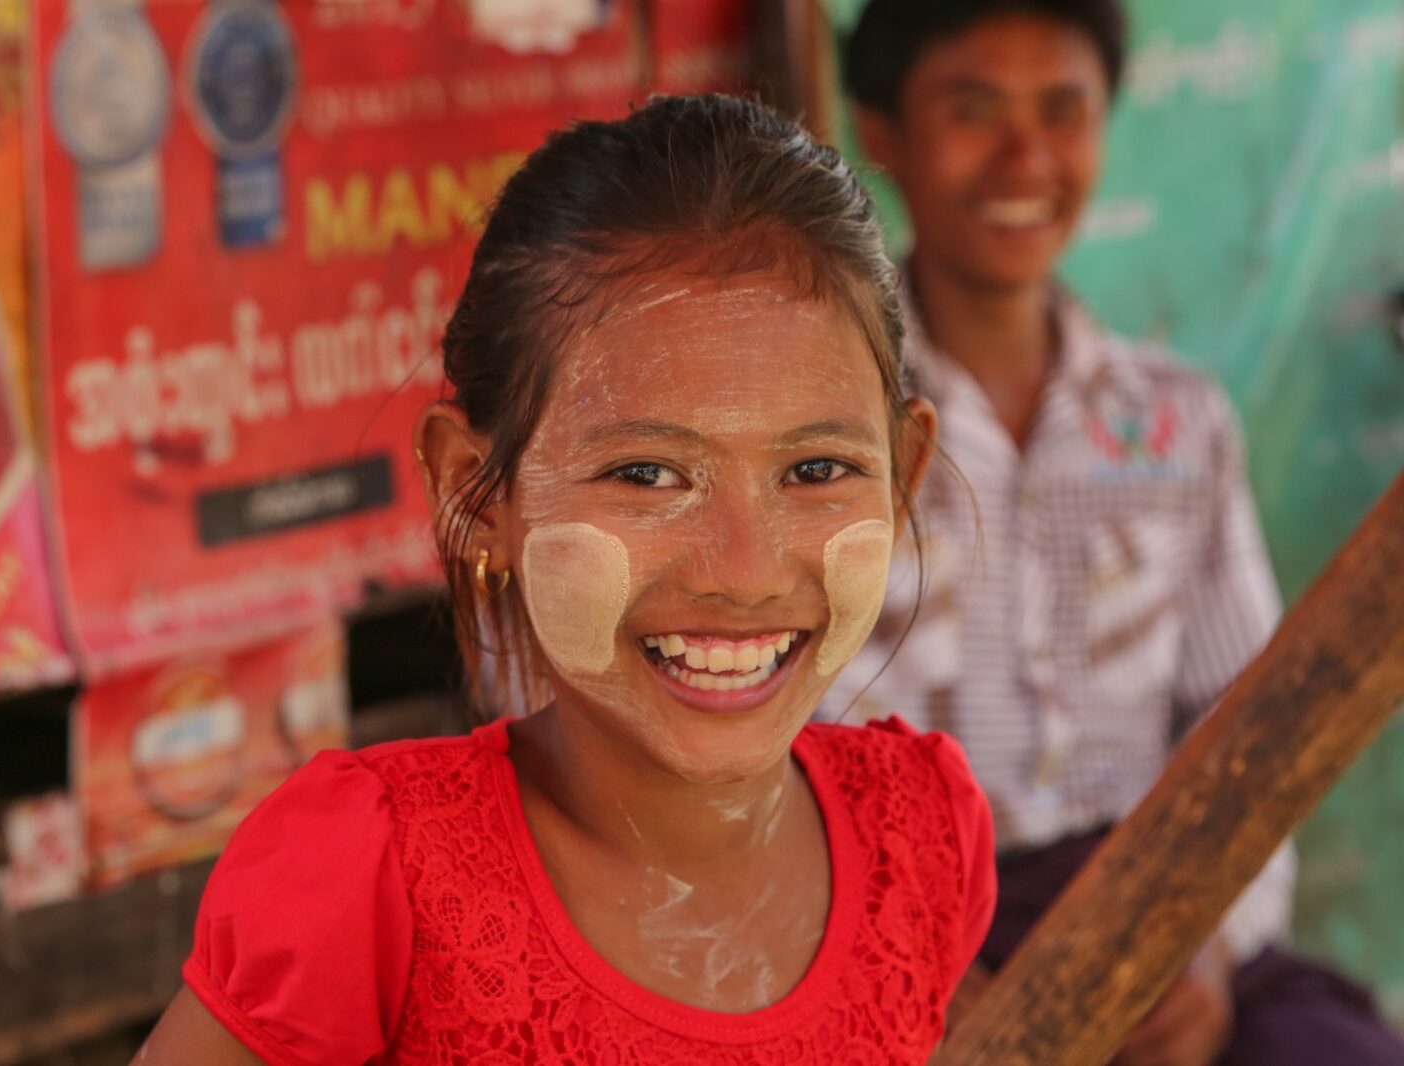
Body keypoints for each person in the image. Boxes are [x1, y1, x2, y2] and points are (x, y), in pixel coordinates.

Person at [133, 94, 996, 1065]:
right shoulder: (371, 880)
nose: (745, 572)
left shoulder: (921, 836)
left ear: (903, 476)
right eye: (646, 475)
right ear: (475, 493)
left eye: (815, 471)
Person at [826, 2, 1404, 1064]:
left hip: (1159, 897)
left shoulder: (1178, 423)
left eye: (1062, 109)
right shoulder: (819, 433)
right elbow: (773, 755)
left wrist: (1206, 947)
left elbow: (1243, 719)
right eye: (973, 110)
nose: (1024, 155)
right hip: (907, 926)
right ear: (883, 133)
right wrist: (900, 963)